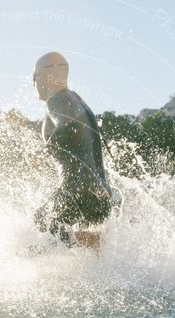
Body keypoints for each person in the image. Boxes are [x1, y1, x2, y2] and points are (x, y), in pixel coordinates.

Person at [29, 51, 116, 246]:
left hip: (77, 189)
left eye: (33, 78)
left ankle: (91, 242)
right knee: (65, 240)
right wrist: (22, 123)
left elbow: (68, 125)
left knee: (42, 223)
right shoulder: (74, 100)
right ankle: (94, 245)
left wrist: (42, 152)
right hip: (99, 195)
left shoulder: (58, 100)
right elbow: (67, 125)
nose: (33, 84)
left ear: (43, 76)